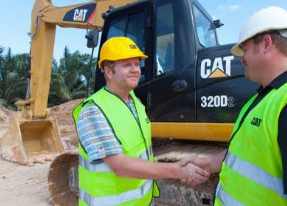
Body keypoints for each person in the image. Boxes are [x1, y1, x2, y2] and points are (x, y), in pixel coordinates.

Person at [181, 6, 287, 205]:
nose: (241, 59)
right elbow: (253, 151)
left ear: (265, 44)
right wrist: (211, 162)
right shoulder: (265, 97)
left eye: (244, 49)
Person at [73, 37, 209, 206]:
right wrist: (177, 170)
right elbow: (119, 165)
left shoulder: (135, 103)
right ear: (109, 71)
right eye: (127, 65)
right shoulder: (93, 110)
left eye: (137, 64)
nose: (135, 70)